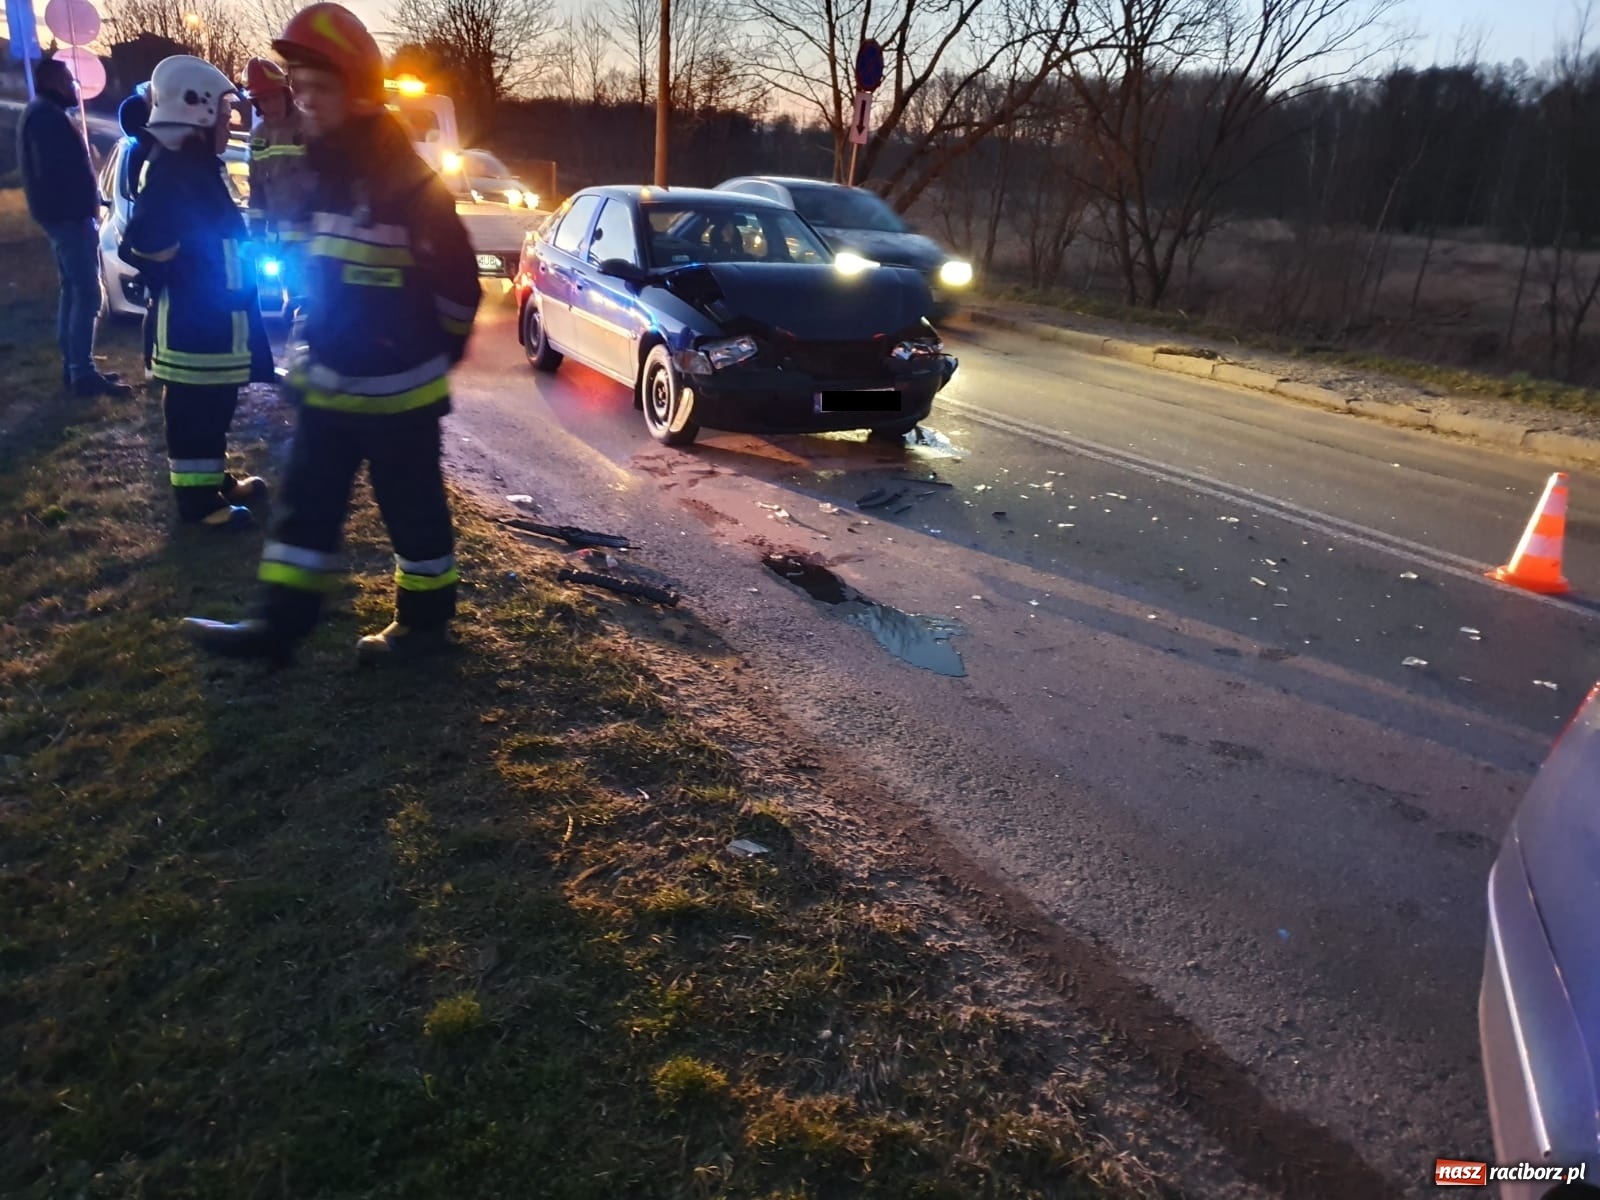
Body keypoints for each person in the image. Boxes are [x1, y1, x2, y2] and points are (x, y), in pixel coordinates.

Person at [183, 3, 481, 665]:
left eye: (319, 88)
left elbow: (461, 290)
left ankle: (424, 628)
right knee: (303, 507)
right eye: (300, 87)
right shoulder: (319, 168)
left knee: (414, 514)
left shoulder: (408, 183)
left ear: (360, 93)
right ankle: (276, 630)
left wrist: (424, 359)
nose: (304, 101)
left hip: (398, 394)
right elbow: (318, 274)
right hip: (331, 382)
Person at [119, 54, 275, 530]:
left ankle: (211, 481)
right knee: (195, 415)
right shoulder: (174, 169)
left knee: (215, 407)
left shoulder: (193, 164)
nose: (231, 120)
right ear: (197, 109)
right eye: (225, 111)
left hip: (213, 324)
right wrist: (189, 279)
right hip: (195, 327)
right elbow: (146, 241)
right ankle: (199, 506)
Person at [16, 57, 132, 398]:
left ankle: (75, 366)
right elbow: (56, 173)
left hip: (64, 218)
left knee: (73, 291)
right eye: (69, 80)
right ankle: (82, 372)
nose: (74, 87)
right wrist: (81, 212)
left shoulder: (41, 114)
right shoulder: (46, 118)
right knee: (87, 293)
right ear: (53, 81)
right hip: (69, 220)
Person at [242, 57, 314, 312]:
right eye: (264, 100)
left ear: (286, 94)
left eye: (274, 97)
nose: (271, 105)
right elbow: (257, 191)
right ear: (256, 103)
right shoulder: (258, 137)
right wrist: (257, 234)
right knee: (294, 304)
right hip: (281, 240)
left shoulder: (309, 128)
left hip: (313, 236)